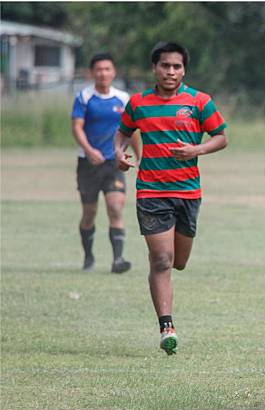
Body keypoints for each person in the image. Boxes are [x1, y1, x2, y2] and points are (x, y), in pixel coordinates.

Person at [114, 42, 228, 355]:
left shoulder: (199, 101)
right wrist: (119, 153)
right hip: (151, 191)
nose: (171, 72)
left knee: (179, 262)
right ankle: (167, 326)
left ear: (184, 70)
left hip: (188, 192)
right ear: (155, 68)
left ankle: (168, 299)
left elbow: (221, 137)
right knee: (161, 260)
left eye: (177, 66)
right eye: (165, 66)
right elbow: (122, 132)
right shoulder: (137, 103)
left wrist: (197, 150)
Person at [71, 53, 139, 273]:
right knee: (89, 213)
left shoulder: (123, 98)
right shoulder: (84, 97)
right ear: (92, 73)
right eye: (99, 69)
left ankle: (118, 259)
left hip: (113, 163)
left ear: (114, 72)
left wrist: (139, 156)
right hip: (88, 164)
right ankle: (88, 256)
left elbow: (132, 129)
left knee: (115, 207)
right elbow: (77, 127)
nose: (103, 73)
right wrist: (90, 151)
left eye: (107, 69)